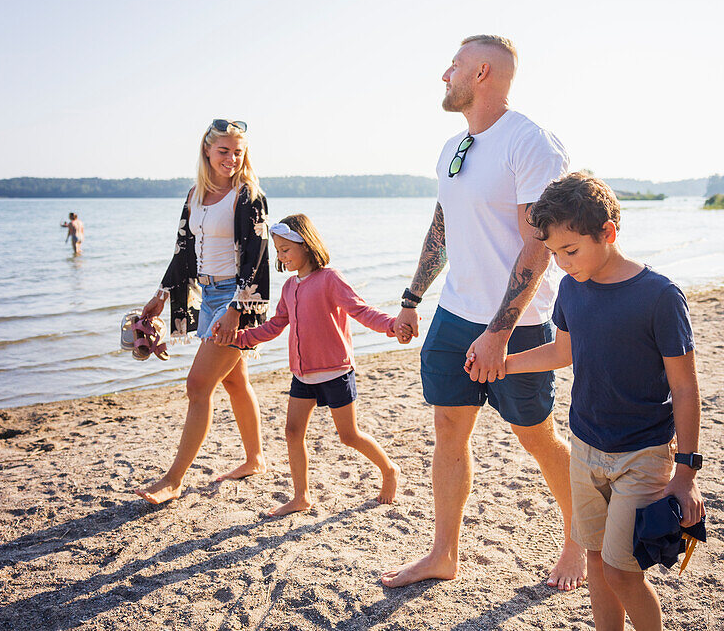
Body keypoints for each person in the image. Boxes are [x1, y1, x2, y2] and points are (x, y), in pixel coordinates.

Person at [382, 35, 585, 591]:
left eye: (455, 65)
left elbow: (539, 244)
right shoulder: (452, 147)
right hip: (454, 314)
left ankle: (578, 538)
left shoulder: (530, 143)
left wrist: (498, 333)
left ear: (483, 73)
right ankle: (442, 554)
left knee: (536, 436)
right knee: (448, 430)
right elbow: (442, 227)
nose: (443, 74)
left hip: (516, 324)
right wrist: (411, 298)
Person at [504, 173, 704, 631]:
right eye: (553, 253)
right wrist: (504, 363)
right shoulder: (572, 288)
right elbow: (561, 353)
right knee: (595, 562)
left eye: (569, 251)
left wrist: (687, 473)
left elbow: (686, 389)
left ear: (608, 233)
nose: (560, 263)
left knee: (621, 569)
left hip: (643, 454)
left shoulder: (660, 296)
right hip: (586, 449)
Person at [225, 214, 402, 516]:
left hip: (335, 371)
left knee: (349, 436)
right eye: (277, 251)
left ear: (305, 244)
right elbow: (277, 324)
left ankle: (389, 470)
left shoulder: (329, 279)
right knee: (293, 432)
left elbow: (360, 310)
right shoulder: (289, 288)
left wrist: (393, 325)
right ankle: (301, 496)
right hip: (302, 374)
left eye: (285, 250)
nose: (281, 257)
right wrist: (243, 338)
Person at [134, 118, 271, 504]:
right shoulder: (195, 195)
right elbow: (182, 252)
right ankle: (255, 459)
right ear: (207, 151)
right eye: (223, 151)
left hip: (234, 300)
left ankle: (174, 479)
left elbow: (257, 258)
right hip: (208, 295)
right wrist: (161, 294)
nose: (231, 158)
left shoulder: (248, 195)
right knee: (234, 381)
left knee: (197, 386)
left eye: (237, 152)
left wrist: (237, 309)